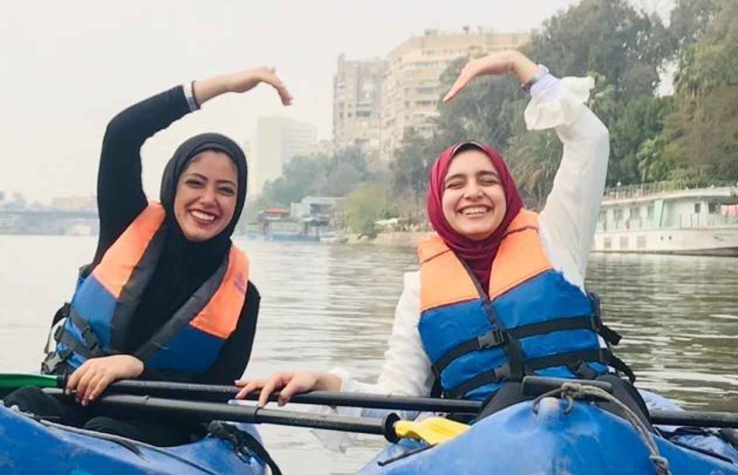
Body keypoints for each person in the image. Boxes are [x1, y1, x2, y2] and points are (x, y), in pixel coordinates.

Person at [237, 50, 637, 420]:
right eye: (456, 184)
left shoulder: (557, 237)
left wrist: (521, 67)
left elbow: (591, 141)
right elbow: (399, 401)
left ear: (507, 191)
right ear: (437, 200)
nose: (473, 193)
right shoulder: (419, 290)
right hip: (487, 448)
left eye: (487, 180)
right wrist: (323, 382)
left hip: (586, 425)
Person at [6, 66, 291, 445]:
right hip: (76, 397)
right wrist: (223, 86)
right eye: (195, 183)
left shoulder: (244, 297)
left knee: (106, 434)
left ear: (237, 205)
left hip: (160, 424)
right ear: (173, 185)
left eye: (225, 190)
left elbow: (218, 391)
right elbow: (122, 134)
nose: (208, 200)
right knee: (23, 403)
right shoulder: (126, 224)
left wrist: (135, 368)